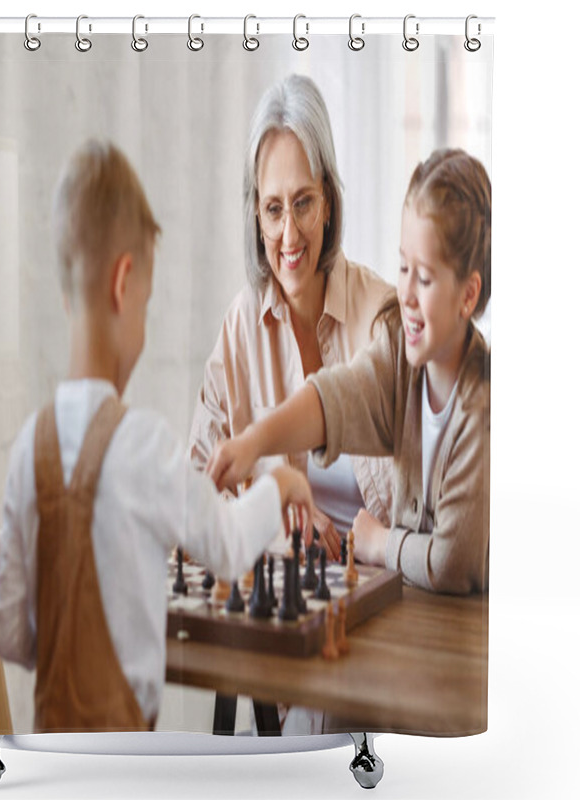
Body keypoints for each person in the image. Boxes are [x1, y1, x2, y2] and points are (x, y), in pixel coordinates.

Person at [0, 141, 314, 733]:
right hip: (125, 758)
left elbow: (12, 634)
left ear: (67, 293)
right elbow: (227, 545)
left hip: (49, 754)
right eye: (147, 301)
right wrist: (281, 481)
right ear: (124, 282)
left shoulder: (24, 452)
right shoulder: (143, 444)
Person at [208, 148, 491, 596]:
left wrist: (381, 545)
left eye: (426, 278)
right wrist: (254, 442)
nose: (407, 295)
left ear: (468, 295)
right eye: (403, 267)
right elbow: (334, 399)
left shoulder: (482, 407)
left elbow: (452, 560)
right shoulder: (398, 353)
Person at [188, 75, 394, 561]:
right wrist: (276, 520)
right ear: (256, 218)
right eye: (273, 209)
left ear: (327, 201)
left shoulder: (381, 314)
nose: (288, 234)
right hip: (285, 603)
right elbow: (195, 499)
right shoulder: (240, 329)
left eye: (303, 203)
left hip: (380, 593)